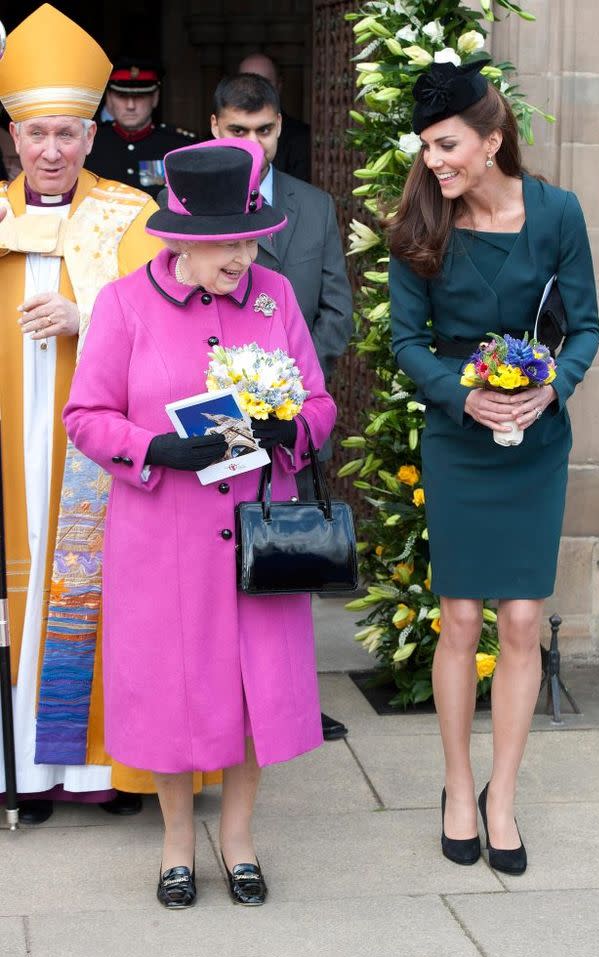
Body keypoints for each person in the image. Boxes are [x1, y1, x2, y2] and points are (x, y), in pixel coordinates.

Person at [63, 137, 337, 908]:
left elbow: (318, 402)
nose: (243, 255)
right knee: (175, 691)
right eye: (228, 243)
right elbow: (84, 417)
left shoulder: (274, 298)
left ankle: (239, 840)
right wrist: (154, 446)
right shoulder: (123, 305)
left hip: (256, 532)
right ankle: (178, 843)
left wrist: (294, 430)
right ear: (183, 239)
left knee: (252, 692)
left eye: (251, 238)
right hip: (163, 539)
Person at [0, 3, 217, 825]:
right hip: (13, 451)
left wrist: (84, 315)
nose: (50, 150)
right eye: (35, 135)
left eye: (66, 134)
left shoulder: (131, 218)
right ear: (13, 138)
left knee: (106, 598)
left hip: (101, 453)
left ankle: (107, 772)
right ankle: (27, 764)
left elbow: (174, 325)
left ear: (94, 136)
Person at [387, 60, 599, 875]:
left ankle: (500, 797)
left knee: (518, 621)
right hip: (457, 437)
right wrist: (459, 397)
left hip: (535, 442)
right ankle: (454, 786)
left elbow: (583, 328)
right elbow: (406, 341)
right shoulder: (419, 221)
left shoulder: (556, 214)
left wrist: (550, 393)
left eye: (446, 146)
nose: (434, 161)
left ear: (492, 137)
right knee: (462, 619)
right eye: (427, 148)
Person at [210, 72, 353, 741]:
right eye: (237, 131)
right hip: (212, 424)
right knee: (213, 571)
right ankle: (221, 700)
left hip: (287, 420)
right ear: (216, 129)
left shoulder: (314, 206)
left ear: (279, 128)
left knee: (287, 564)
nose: (252, 144)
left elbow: (336, 310)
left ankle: (291, 698)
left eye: (263, 130)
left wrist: (289, 388)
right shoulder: (186, 205)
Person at [85, 58, 196, 199]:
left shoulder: (179, 146)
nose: (130, 105)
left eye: (139, 97)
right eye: (121, 96)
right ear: (109, 98)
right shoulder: (90, 142)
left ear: (155, 97)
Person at [237, 53, 311, 182]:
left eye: (264, 83)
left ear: (279, 85)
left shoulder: (302, 138)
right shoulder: (217, 135)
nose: (254, 92)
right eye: (246, 83)